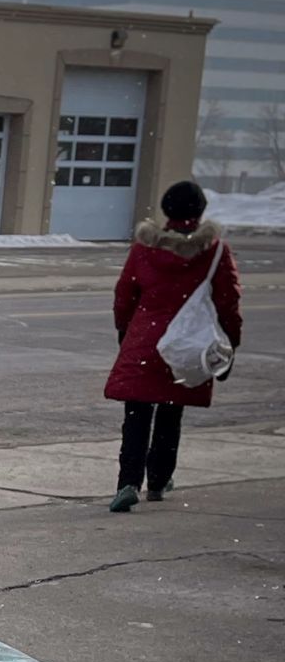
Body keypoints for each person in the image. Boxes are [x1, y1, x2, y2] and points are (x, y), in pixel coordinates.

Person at [103, 179, 241, 512]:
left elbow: (125, 294)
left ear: (166, 210)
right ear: (200, 211)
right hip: (187, 344)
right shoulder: (214, 252)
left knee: (136, 414)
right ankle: (158, 481)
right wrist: (230, 344)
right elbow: (228, 301)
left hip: (145, 340)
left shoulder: (144, 249)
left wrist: (125, 330)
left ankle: (127, 483)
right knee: (171, 411)